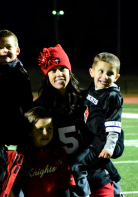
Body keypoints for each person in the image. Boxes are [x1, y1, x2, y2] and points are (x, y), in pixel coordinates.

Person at [32, 44, 124, 197]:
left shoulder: (87, 98)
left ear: (70, 70)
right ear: (46, 75)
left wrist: (115, 144)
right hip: (63, 178)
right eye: (53, 70)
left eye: (62, 68)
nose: (59, 74)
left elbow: (110, 128)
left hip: (96, 173)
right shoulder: (40, 108)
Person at [81, 52, 124, 196]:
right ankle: (116, 187)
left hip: (104, 138)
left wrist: (109, 147)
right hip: (94, 135)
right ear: (91, 72)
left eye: (110, 73)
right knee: (102, 165)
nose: (105, 77)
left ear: (116, 77)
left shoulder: (112, 96)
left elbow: (114, 124)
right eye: (101, 71)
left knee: (83, 164)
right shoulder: (94, 88)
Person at [0, 29, 33, 146]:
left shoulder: (21, 74)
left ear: (17, 50)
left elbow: (27, 103)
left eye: (9, 47)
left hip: (18, 126)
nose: (4, 50)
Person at [13, 106, 76, 197]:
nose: (45, 133)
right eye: (40, 129)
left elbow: (65, 187)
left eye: (49, 128)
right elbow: (18, 188)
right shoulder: (21, 157)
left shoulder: (59, 153)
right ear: (29, 131)